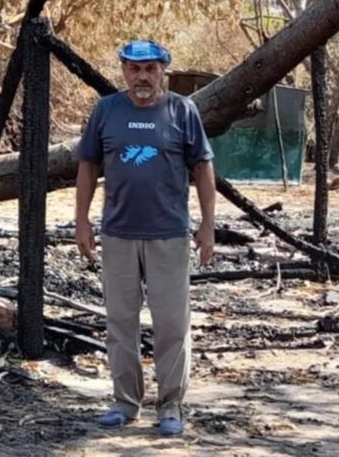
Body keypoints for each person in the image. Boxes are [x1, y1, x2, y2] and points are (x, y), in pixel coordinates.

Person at [75, 39, 216, 437]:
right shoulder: (106, 110)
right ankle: (125, 402)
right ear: (123, 70)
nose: (142, 77)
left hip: (169, 234)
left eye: (151, 69)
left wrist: (207, 226)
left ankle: (170, 405)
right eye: (135, 69)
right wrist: (81, 221)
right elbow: (88, 166)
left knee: (171, 324)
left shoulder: (182, 111)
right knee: (121, 322)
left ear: (163, 72)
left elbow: (204, 169)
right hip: (118, 234)